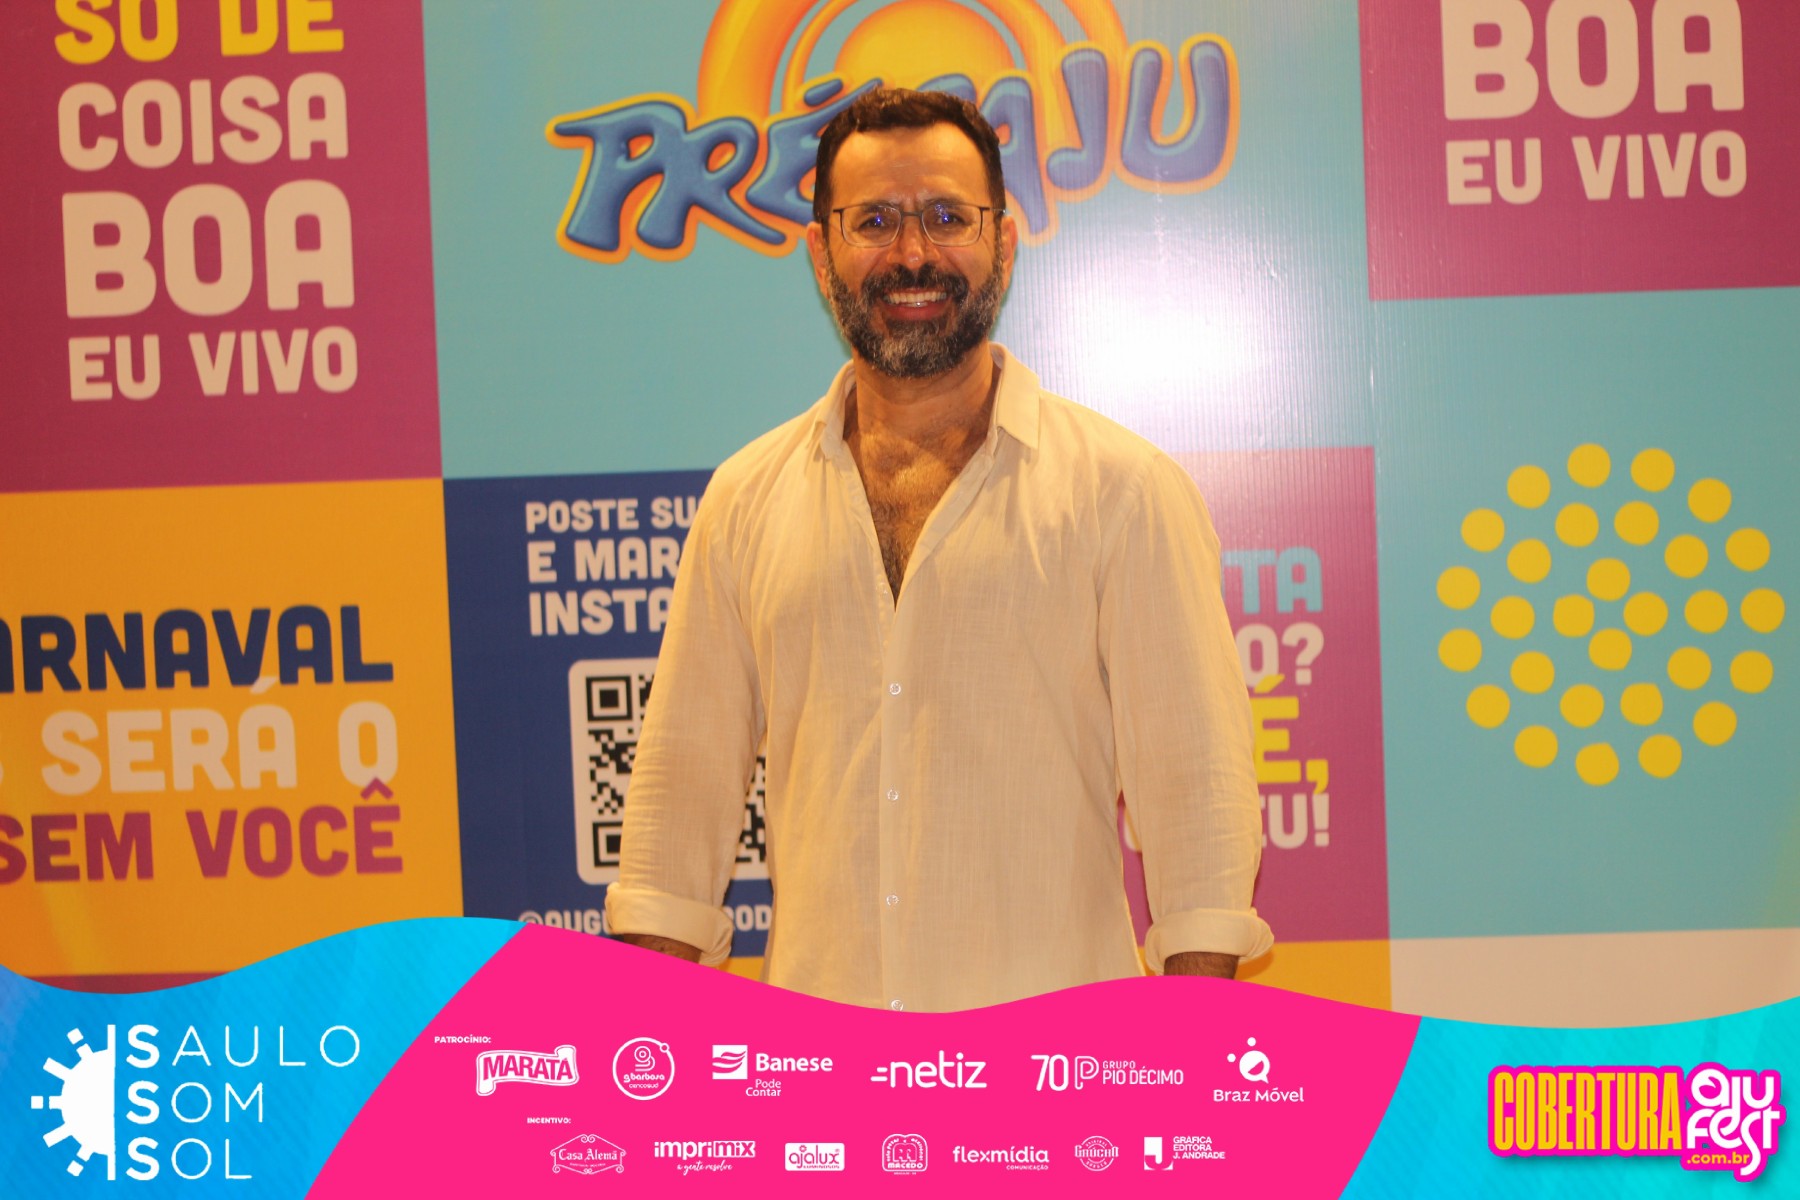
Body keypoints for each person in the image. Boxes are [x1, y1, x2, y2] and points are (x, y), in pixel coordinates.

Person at [603, 87, 1270, 1011]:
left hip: (1055, 1070)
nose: (913, 254)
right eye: (874, 221)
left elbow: (1200, 806)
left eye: (948, 218)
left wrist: (1188, 1052)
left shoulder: (1123, 492)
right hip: (820, 1073)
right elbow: (676, 814)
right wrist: (637, 1051)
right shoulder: (744, 501)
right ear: (820, 253)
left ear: (1005, 243)